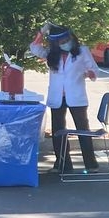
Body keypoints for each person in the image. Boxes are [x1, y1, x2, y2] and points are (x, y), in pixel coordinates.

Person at [29, 22, 100, 173]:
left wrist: (90, 73)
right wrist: (42, 31)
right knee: (58, 132)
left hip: (76, 96)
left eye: (67, 40)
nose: (65, 44)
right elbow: (34, 48)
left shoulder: (82, 51)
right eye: (61, 42)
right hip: (57, 97)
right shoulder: (51, 54)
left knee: (83, 129)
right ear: (55, 44)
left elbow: (94, 69)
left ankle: (91, 164)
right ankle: (63, 164)